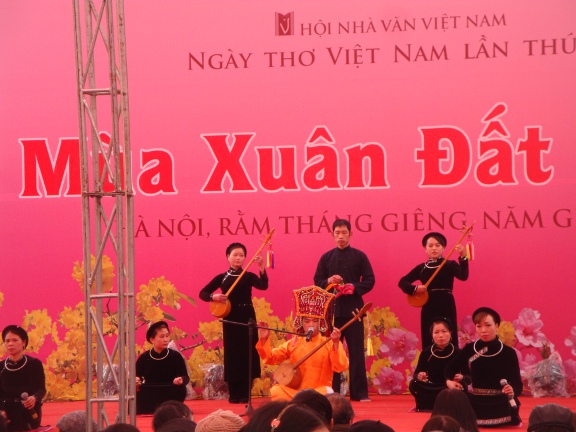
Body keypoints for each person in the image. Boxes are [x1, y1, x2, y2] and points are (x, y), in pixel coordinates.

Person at [313, 219, 375, 402]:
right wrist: (329, 281)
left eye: (344, 233)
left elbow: (370, 280)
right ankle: (333, 393)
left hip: (355, 310)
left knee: (356, 352)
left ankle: (360, 393)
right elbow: (317, 282)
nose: (341, 236)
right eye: (337, 233)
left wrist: (354, 287)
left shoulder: (360, 256)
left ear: (350, 234)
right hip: (333, 313)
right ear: (332, 235)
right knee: (333, 353)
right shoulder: (326, 257)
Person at [199, 242, 268, 404]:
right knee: (233, 355)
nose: (238, 258)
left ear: (245, 258)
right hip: (230, 318)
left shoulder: (248, 276)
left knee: (247, 354)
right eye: (235, 255)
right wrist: (213, 297)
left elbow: (263, 285)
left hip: (247, 317)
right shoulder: (222, 277)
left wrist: (261, 266)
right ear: (228, 257)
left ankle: (246, 393)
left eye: (241, 255)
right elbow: (203, 293)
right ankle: (234, 394)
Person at [256, 286, 348, 400]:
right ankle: (302, 402)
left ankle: (302, 403)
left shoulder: (329, 343)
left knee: (327, 391)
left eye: (315, 321)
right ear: (301, 323)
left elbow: (340, 367)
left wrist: (335, 344)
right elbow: (271, 357)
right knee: (276, 391)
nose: (311, 325)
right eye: (307, 321)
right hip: (296, 393)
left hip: (318, 392)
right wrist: (264, 339)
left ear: (320, 323)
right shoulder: (294, 342)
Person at [446, 307, 523, 427]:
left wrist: (512, 390)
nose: (483, 330)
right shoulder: (470, 349)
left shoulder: (508, 353)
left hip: (499, 401)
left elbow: (518, 385)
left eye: (488, 325)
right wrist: (449, 381)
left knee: (509, 405)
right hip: (476, 400)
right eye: (479, 326)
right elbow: (450, 368)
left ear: (497, 326)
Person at [399, 232, 469, 348]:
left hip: (446, 303)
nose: (434, 248)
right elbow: (402, 282)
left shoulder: (449, 264)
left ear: (443, 248)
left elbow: (463, 276)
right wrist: (415, 289)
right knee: (429, 335)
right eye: (430, 246)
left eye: (438, 245)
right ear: (425, 249)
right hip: (428, 305)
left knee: (448, 332)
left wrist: (463, 257)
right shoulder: (422, 268)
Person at [135, 321, 190, 414]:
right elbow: (136, 376)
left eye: (167, 336)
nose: (166, 339)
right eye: (162, 337)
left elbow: (185, 378)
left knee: (179, 390)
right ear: (152, 340)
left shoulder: (175, 356)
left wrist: (181, 380)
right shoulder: (145, 357)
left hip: (171, 391)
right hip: (150, 392)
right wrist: (136, 380)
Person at [0, 325, 46, 431]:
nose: (10, 344)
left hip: (28, 411)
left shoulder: (34, 364)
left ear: (24, 342)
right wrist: (1, 410)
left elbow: (41, 389)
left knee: (17, 426)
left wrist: (34, 398)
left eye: (15, 340)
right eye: (7, 341)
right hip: (6, 410)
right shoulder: (1, 367)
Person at [409, 318, 461, 411]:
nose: (440, 335)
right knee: (414, 383)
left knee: (459, 388)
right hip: (431, 387)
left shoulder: (458, 353)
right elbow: (416, 374)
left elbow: (468, 376)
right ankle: (425, 405)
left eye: (444, 331)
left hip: (449, 387)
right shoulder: (426, 352)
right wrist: (420, 376)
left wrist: (461, 377)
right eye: (436, 332)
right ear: (432, 335)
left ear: (450, 333)